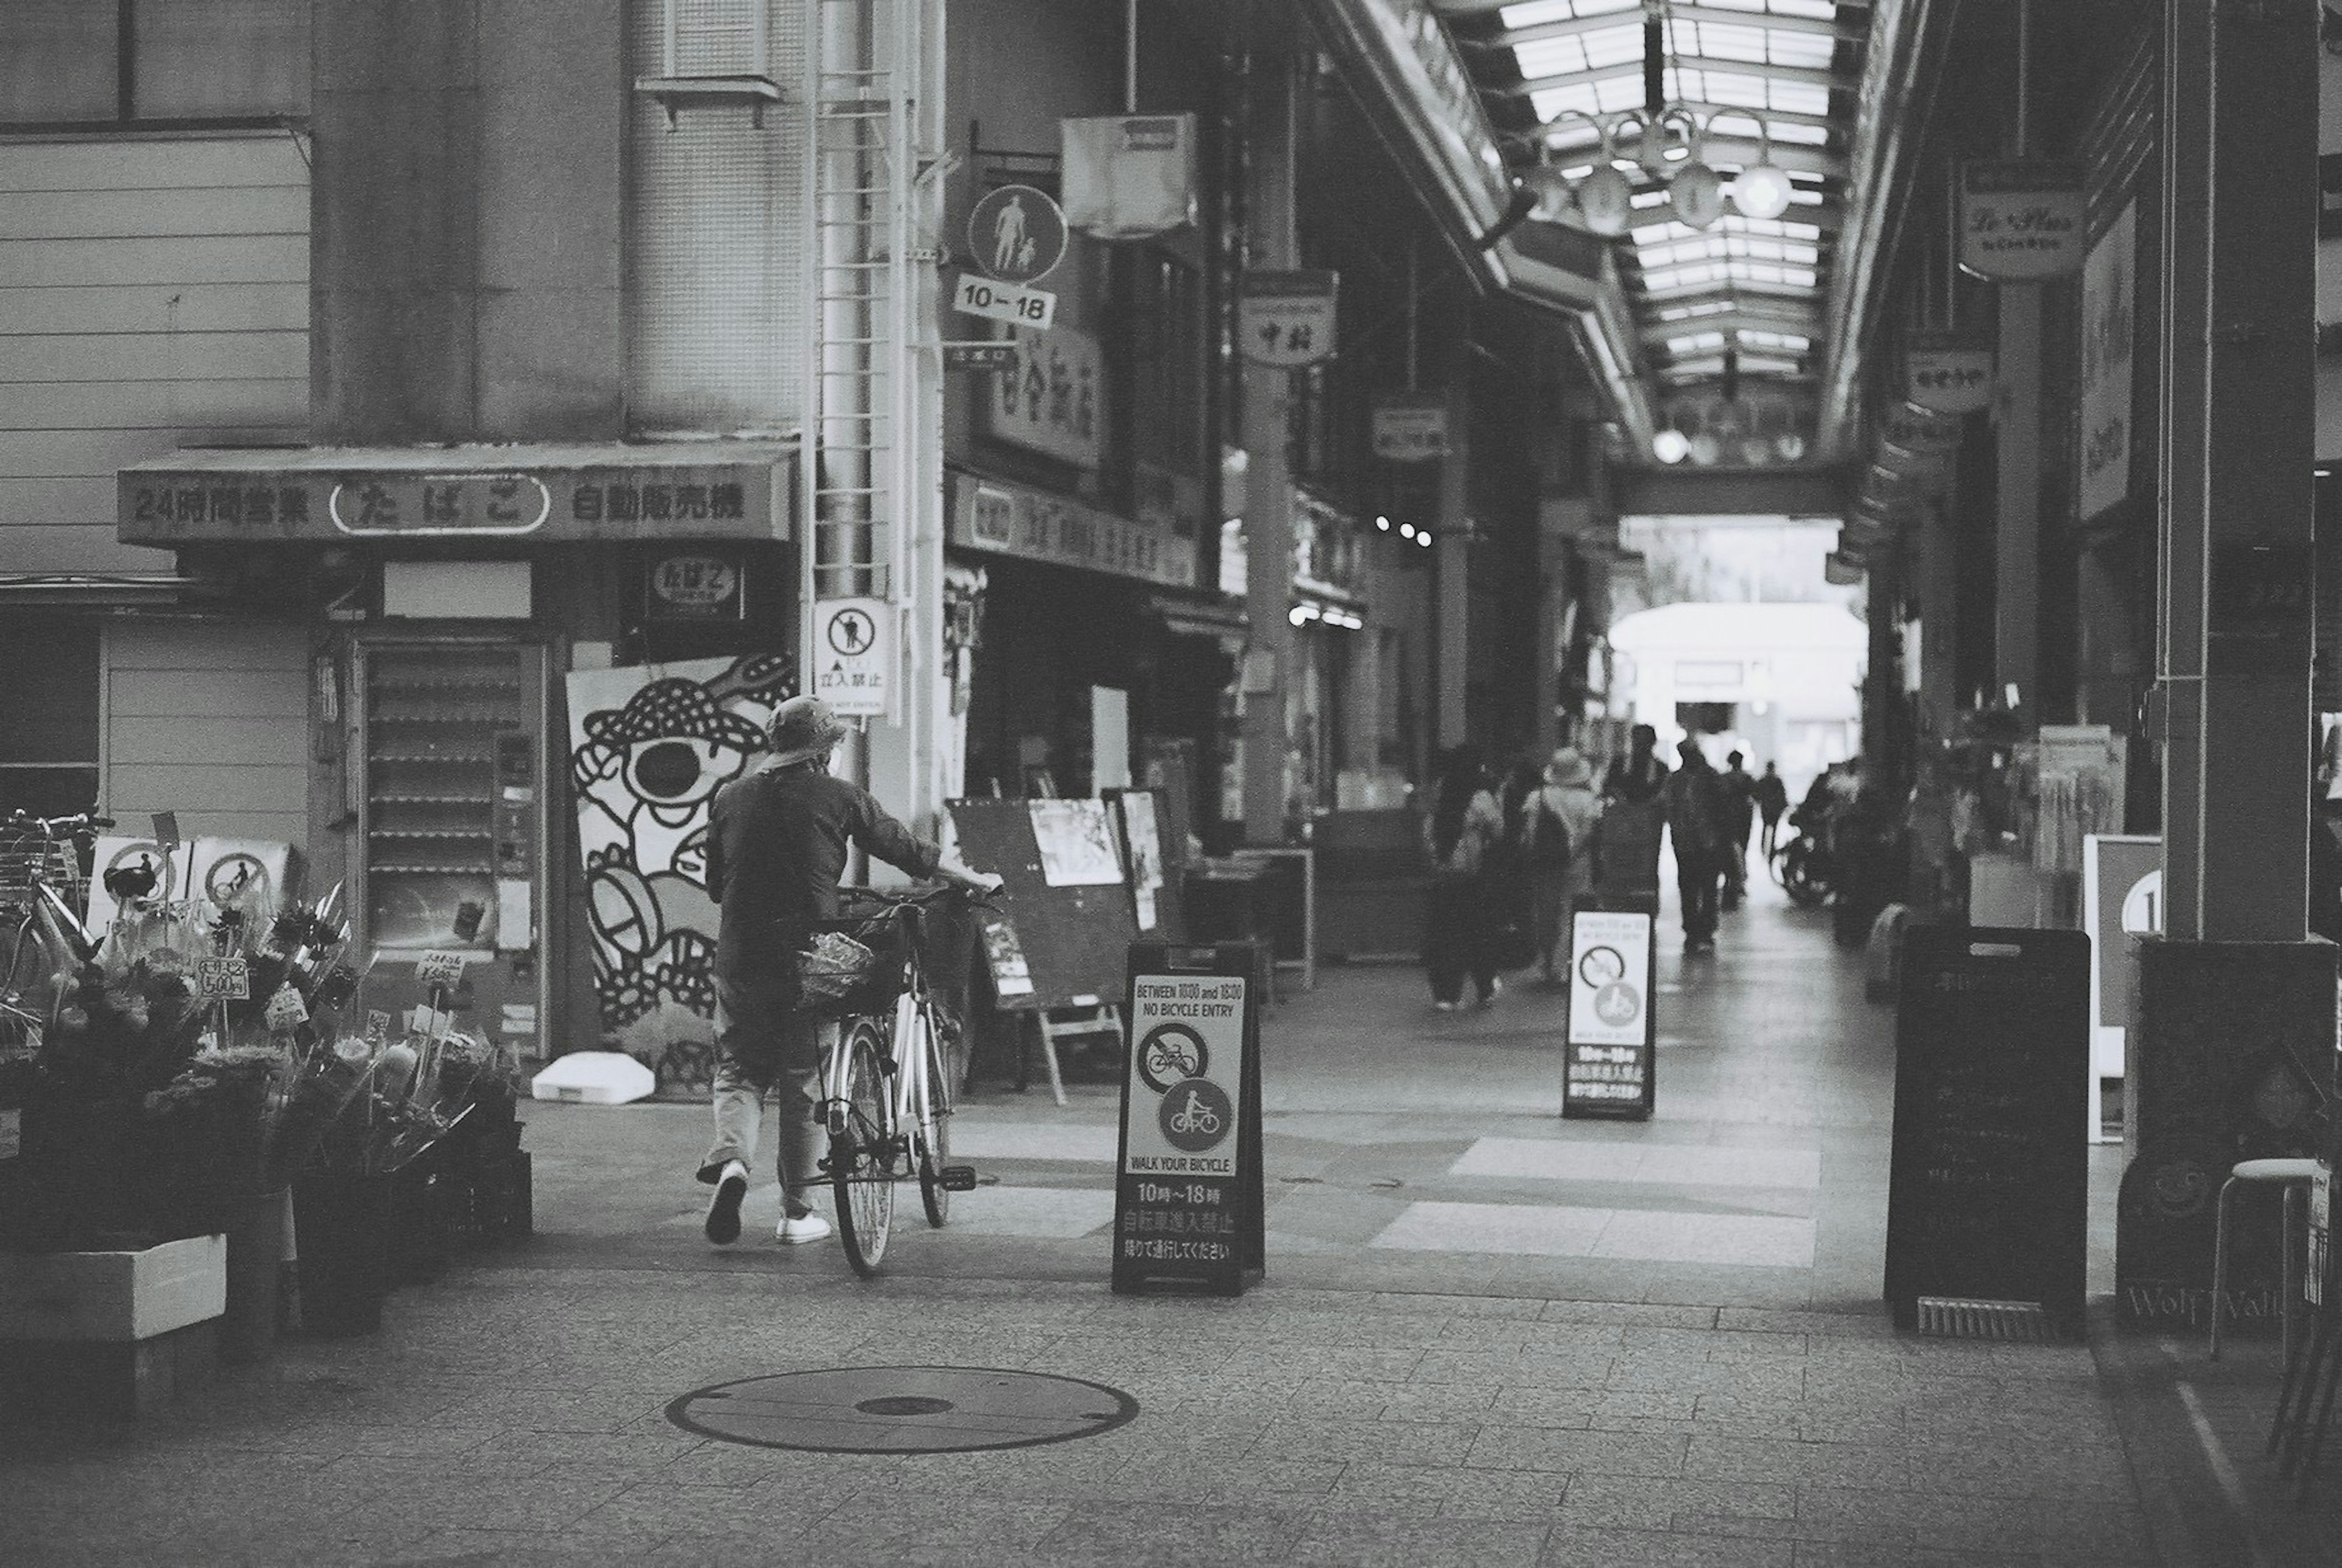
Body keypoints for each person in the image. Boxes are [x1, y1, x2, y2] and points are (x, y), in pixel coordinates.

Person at [699, 695, 1001, 1248]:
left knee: (739, 1071)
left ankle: (733, 1165)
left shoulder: (730, 795)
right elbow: (908, 851)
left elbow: (718, 884)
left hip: (739, 957)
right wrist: (969, 879)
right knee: (801, 1079)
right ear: (824, 751)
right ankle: (796, 1212)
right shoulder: (839, 796)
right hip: (809, 958)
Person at [1423, 745, 1506, 1011]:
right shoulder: (1480, 797)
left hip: (1442, 876)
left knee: (1444, 935)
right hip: (1472, 877)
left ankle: (1446, 993)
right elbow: (1499, 830)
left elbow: (1427, 829)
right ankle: (1484, 988)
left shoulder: (1439, 790)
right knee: (1478, 934)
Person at [1518, 746, 1602, 985]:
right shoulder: (1588, 800)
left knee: (1545, 912)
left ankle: (1544, 962)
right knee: (1571, 913)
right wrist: (1572, 855)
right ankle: (1562, 964)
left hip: (1545, 864)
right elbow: (1587, 834)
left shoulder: (1538, 797)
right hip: (1577, 864)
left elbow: (1530, 832)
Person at [1663, 737, 1728, 953]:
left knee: (1708, 886)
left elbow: (1722, 808)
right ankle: (1692, 927)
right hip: (1685, 841)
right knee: (1689, 886)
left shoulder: (1710, 777)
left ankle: (1706, 928)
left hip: (1708, 840)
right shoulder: (1676, 779)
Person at [1718, 750, 1757, 908]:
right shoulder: (1747, 779)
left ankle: (1731, 881)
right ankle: (1739, 883)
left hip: (1727, 820)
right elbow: (1755, 795)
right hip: (1744, 819)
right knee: (1742, 849)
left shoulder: (1724, 779)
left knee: (1729, 851)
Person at [1602, 723, 1669, 806]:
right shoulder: (1619, 763)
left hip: (1648, 814)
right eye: (1638, 742)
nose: (1641, 747)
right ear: (1633, 741)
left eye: (1645, 743)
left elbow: (1663, 794)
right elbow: (1608, 787)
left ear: (1653, 743)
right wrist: (1619, 798)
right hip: (1621, 812)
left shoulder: (1661, 768)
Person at [1754, 761, 1790, 857]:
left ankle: (1763, 848)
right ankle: (1771, 850)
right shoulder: (1777, 781)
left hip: (1766, 808)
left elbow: (1757, 795)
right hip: (1775, 810)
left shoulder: (1763, 780)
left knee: (1765, 828)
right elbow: (1783, 796)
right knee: (1774, 829)